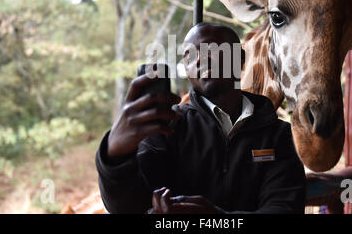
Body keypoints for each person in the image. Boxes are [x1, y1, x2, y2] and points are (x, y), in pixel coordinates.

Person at [95, 22, 306, 214]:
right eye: (188, 56)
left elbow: (284, 209)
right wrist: (114, 156)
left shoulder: (280, 136)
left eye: (210, 50)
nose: (198, 60)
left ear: (240, 59)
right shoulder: (165, 127)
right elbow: (129, 208)